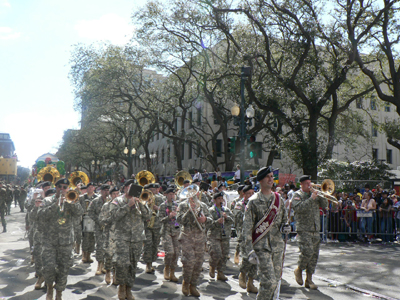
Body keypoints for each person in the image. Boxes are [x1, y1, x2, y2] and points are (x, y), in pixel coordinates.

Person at [242, 167, 290, 300]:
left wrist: (286, 227)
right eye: (267, 177)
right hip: (261, 247)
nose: (271, 179)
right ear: (260, 180)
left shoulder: (278, 199)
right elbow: (246, 228)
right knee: (269, 282)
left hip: (277, 247)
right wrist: (249, 251)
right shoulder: (253, 201)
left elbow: (284, 220)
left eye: (271, 176)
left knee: (275, 283)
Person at [37, 178, 83, 300]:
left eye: (65, 187)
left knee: (64, 269)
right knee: (48, 267)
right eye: (60, 187)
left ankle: (59, 293)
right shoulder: (47, 200)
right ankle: (49, 288)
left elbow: (80, 213)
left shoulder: (72, 200)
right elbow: (40, 216)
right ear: (56, 187)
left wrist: (70, 203)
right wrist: (56, 203)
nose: (62, 189)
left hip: (66, 242)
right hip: (49, 241)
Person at [110, 179, 150, 300]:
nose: (132, 189)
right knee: (122, 264)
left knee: (133, 265)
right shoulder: (118, 200)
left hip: (137, 238)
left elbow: (147, 216)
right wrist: (128, 205)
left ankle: (129, 288)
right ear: (125, 188)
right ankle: (121, 287)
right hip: (122, 238)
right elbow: (114, 217)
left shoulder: (141, 201)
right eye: (130, 187)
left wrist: (141, 204)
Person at [292, 175, 328, 290]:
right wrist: (311, 198)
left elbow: (325, 205)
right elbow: (299, 208)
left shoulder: (315, 194)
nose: (310, 185)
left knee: (314, 255)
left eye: (310, 183)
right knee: (307, 252)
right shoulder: (297, 195)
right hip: (303, 228)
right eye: (307, 183)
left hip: (315, 228)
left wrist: (321, 194)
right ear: (301, 184)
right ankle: (299, 269)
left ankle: (309, 280)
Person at [176, 185, 212, 297]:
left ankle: (193, 285)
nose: (193, 195)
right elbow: (179, 220)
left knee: (198, 263)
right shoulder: (182, 205)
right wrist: (189, 210)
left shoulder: (203, 205)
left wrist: (205, 219)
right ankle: (186, 283)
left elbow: (211, 220)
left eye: (195, 192)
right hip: (187, 237)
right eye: (190, 193)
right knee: (188, 262)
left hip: (200, 238)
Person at [30, 188, 56, 290]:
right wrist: (36, 206)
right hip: (39, 235)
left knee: (50, 260)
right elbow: (32, 218)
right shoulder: (40, 203)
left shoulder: (56, 206)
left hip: (52, 237)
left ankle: (48, 280)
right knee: (38, 256)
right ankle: (40, 277)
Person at [208, 191, 234, 281]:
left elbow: (233, 221)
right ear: (214, 200)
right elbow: (208, 224)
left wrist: (227, 217)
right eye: (218, 199)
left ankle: (220, 272)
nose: (220, 200)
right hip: (214, 236)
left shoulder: (226, 210)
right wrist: (216, 222)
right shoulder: (210, 210)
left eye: (221, 198)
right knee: (216, 253)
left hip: (225, 235)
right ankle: (212, 265)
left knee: (224, 254)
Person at [158, 187, 180, 282]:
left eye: (173, 194)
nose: (172, 196)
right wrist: (169, 217)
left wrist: (178, 215)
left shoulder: (177, 205)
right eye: (170, 194)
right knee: (170, 252)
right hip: (166, 231)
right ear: (166, 195)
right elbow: (160, 219)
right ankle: (166, 267)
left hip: (176, 230)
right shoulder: (163, 205)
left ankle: (172, 272)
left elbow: (181, 218)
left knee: (176, 252)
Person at [99, 185, 120, 284]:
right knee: (109, 255)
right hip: (109, 235)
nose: (116, 195)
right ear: (110, 195)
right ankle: (108, 272)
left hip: (120, 235)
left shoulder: (122, 205)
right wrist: (110, 219)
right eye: (114, 194)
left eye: (117, 193)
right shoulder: (106, 206)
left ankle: (115, 275)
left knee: (118, 257)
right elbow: (101, 220)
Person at [88, 184, 110, 275]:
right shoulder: (95, 201)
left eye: (108, 190)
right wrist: (98, 220)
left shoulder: (113, 201)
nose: (106, 192)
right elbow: (90, 212)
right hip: (99, 227)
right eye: (104, 190)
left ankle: (106, 266)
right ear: (101, 191)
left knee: (108, 247)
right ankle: (99, 265)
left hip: (109, 227)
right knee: (100, 246)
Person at [142, 183, 164, 274]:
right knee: (148, 245)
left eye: (155, 190)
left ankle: (152, 261)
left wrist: (158, 208)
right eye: (152, 189)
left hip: (157, 225)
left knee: (155, 245)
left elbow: (166, 210)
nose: (153, 191)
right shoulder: (144, 198)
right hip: (147, 225)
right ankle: (148, 264)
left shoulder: (160, 199)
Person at [79, 182, 97, 263]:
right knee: (85, 238)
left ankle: (89, 255)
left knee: (92, 238)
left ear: (94, 188)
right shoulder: (82, 197)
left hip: (94, 219)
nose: (90, 188)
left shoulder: (97, 197)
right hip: (84, 219)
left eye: (92, 187)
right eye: (89, 187)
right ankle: (84, 255)